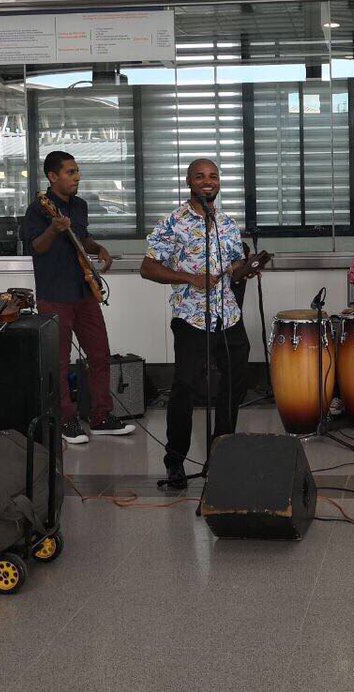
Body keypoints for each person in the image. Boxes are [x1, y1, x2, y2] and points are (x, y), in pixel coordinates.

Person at [141, 158, 270, 490]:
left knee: (234, 386)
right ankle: (175, 462)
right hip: (191, 319)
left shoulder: (227, 223)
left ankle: (221, 453)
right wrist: (189, 277)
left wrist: (249, 267)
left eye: (213, 176)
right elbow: (147, 267)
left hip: (229, 317)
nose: (208, 181)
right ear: (188, 182)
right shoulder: (173, 223)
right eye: (200, 176)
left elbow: (234, 267)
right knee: (184, 389)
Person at [23, 151, 135, 445]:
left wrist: (98, 248)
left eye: (77, 172)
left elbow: (81, 237)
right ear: (52, 177)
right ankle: (67, 421)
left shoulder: (81, 206)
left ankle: (101, 417)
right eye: (71, 172)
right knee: (59, 362)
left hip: (84, 291)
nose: (77, 177)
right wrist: (53, 228)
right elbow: (36, 247)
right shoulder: (38, 208)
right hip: (54, 294)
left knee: (99, 355)